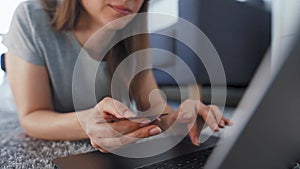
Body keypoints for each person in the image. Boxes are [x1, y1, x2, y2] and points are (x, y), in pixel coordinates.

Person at [3, 0, 232, 153]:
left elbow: (155, 110)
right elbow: (31, 116)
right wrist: (85, 123)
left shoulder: (133, 28)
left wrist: (179, 118)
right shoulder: (31, 18)